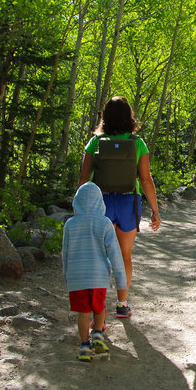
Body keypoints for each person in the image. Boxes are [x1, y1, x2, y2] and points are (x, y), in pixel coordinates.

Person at [77, 96, 161, 318]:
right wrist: (155, 209)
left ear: (105, 116)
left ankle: (98, 310)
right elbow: (145, 179)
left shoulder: (95, 142)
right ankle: (122, 304)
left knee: (98, 257)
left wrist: (80, 208)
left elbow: (84, 178)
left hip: (99, 203)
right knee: (124, 256)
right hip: (127, 202)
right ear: (129, 117)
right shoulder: (138, 143)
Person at [62, 181, 127, 361]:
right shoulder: (105, 223)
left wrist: (66, 274)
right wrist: (121, 280)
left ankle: (84, 347)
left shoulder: (70, 224)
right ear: (101, 202)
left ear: (77, 201)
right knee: (99, 308)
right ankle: (98, 334)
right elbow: (115, 253)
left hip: (77, 277)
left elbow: (65, 251)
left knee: (83, 313)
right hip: (98, 277)